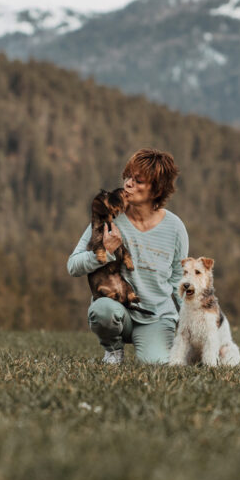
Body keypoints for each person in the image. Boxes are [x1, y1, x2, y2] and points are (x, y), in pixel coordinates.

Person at [67, 148, 189, 364]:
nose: (128, 184)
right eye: (128, 177)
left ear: (157, 189)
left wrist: (190, 321)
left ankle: (156, 345)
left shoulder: (175, 228)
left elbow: (179, 281)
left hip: (157, 318)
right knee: (102, 311)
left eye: (138, 180)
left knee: (156, 365)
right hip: (118, 311)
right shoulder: (108, 219)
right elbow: (73, 266)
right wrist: (103, 254)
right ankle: (113, 351)